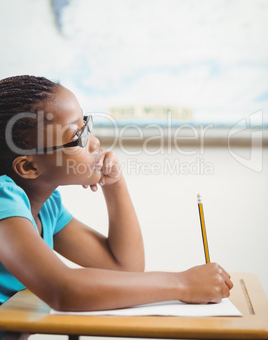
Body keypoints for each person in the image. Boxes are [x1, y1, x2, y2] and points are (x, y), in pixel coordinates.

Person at [0, 75, 233, 312]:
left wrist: (114, 184)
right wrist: (183, 284)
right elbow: (64, 290)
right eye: (76, 137)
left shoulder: (47, 208)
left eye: (86, 126)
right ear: (29, 167)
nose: (94, 142)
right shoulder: (3, 201)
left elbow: (125, 267)